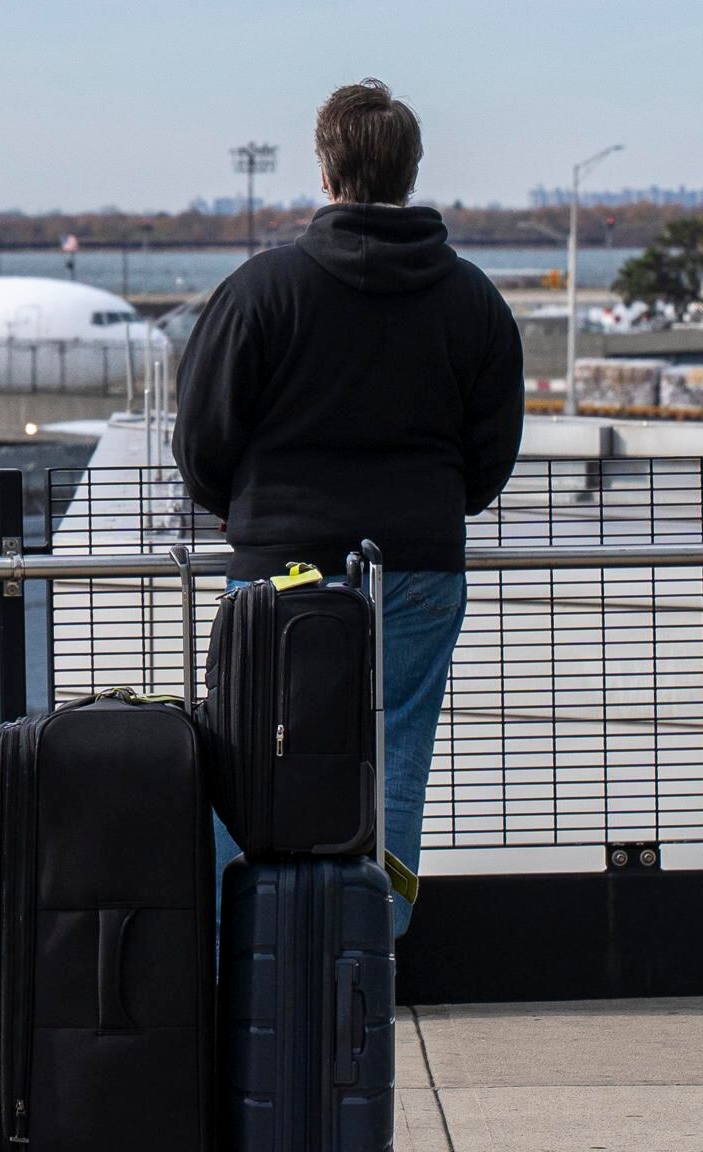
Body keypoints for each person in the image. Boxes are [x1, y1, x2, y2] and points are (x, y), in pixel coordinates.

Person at [174, 78, 523, 938]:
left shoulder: (260, 291)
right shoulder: (474, 300)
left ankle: (241, 955)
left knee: (248, 756)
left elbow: (201, 438)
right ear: (412, 172)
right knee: (395, 762)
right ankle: (368, 956)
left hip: (279, 571)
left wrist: (237, 511)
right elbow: (491, 456)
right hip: (419, 567)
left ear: (326, 172)